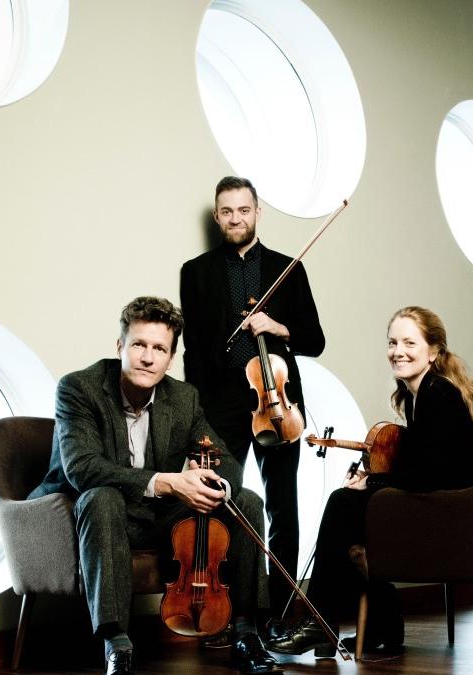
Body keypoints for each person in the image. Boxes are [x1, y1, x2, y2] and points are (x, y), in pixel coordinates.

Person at [29, 297, 278, 675]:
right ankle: (117, 644)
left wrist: (212, 482)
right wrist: (168, 483)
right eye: (138, 345)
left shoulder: (182, 397)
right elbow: (82, 468)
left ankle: (246, 632)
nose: (147, 357)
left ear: (170, 357)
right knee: (102, 497)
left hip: (153, 518)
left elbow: (227, 461)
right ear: (120, 347)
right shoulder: (79, 388)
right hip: (94, 517)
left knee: (245, 499)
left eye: (159, 348)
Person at [265, 306, 473, 657]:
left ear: (433, 351)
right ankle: (381, 623)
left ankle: (324, 622)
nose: (398, 351)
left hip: (453, 516)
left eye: (409, 343)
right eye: (392, 342)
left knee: (343, 504)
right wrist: (373, 479)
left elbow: (433, 475)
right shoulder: (419, 395)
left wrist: (371, 484)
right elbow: (424, 467)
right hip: (441, 504)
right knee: (351, 520)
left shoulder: (438, 394)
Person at [180, 176, 325, 624]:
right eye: (227, 212)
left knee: (283, 505)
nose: (235, 218)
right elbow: (195, 351)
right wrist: (198, 410)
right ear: (217, 216)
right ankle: (229, 610)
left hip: (276, 400)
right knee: (220, 502)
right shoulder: (196, 271)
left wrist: (278, 327)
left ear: (257, 212)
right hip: (221, 401)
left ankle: (280, 610)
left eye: (243, 210)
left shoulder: (288, 268)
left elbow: (315, 340)